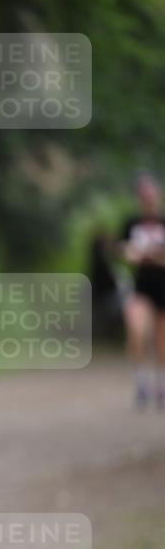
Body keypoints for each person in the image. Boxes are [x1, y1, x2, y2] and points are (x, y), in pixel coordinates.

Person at [116, 173, 165, 408]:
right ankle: (141, 381)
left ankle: (161, 386)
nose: (148, 199)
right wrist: (133, 253)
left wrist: (150, 256)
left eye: (151, 194)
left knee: (162, 341)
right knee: (136, 330)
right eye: (144, 195)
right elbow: (125, 251)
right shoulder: (131, 223)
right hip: (141, 287)